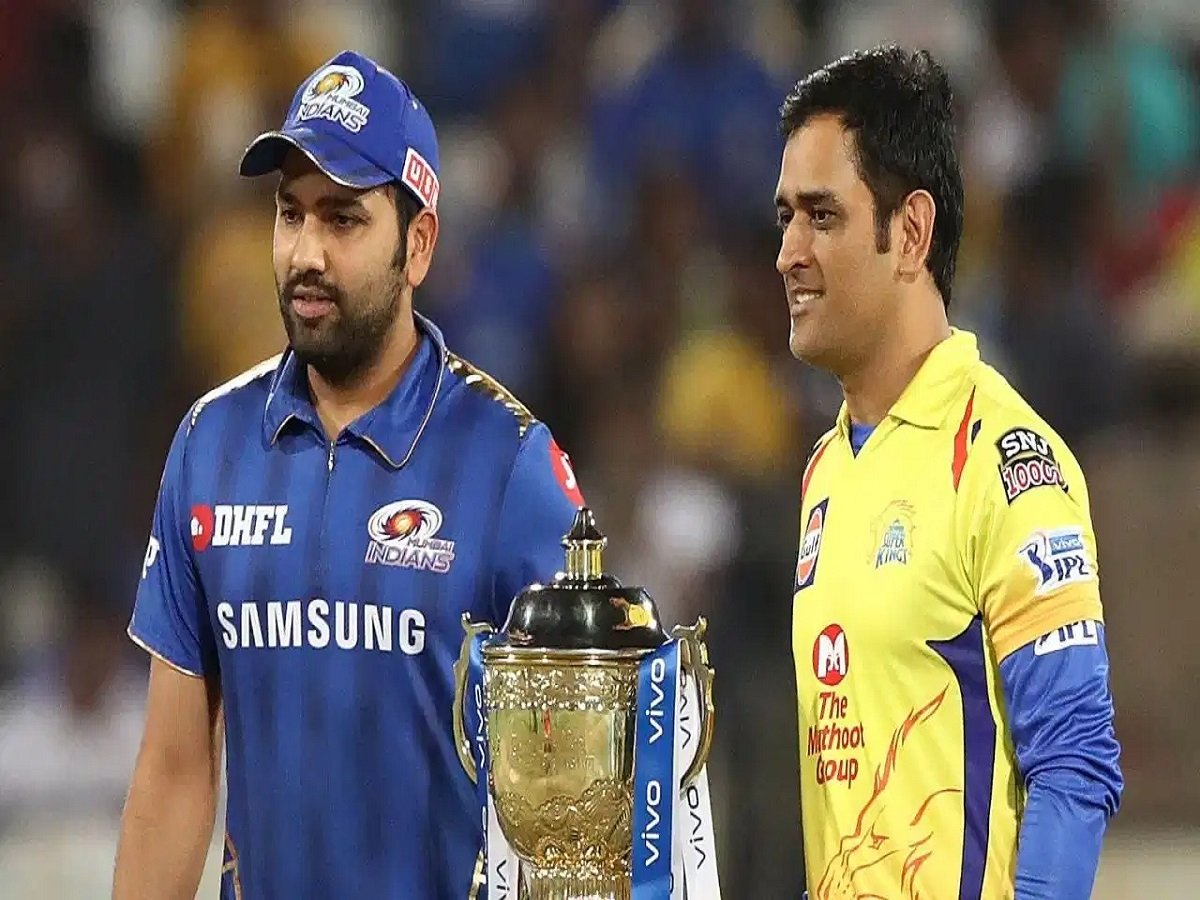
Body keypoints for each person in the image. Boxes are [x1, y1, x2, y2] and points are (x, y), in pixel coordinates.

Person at [113, 50, 585, 899]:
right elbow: (175, 773)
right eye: (290, 214)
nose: (306, 254)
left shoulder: (507, 462)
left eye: (343, 220)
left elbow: (577, 804)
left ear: (419, 244)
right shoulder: (209, 446)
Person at [773, 47, 1122, 899]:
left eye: (822, 217)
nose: (787, 253)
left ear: (912, 233)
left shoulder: (1007, 460)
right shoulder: (826, 470)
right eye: (785, 218)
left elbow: (1075, 761)